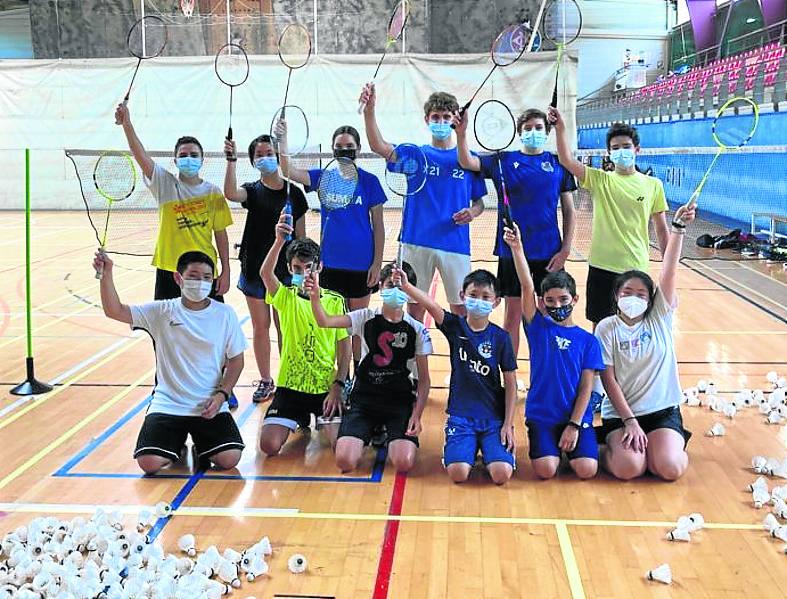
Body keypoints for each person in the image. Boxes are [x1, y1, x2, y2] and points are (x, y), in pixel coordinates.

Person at [93, 250, 246, 475]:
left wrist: (222, 394)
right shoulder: (162, 311)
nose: (200, 282)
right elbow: (114, 310)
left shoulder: (225, 314)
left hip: (209, 404)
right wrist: (106, 275)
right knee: (149, 463)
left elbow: (236, 361)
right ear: (178, 278)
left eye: (206, 277)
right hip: (169, 403)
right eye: (193, 275)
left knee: (230, 458)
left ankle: (202, 447)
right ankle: (176, 447)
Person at [456, 107, 576, 358]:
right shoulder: (502, 161)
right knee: (512, 315)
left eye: (538, 128)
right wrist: (461, 132)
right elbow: (467, 161)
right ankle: (509, 372)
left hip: (549, 253)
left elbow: (569, 210)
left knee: (549, 314)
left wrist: (565, 249)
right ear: (520, 133)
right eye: (528, 128)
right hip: (511, 251)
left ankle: (544, 372)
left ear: (547, 132)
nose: (533, 132)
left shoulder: (558, 165)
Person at [360, 84, 488, 320]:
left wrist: (473, 211)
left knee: (460, 310)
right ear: (426, 119)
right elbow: (379, 146)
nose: (441, 121)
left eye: (446, 117)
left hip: (455, 244)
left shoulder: (469, 160)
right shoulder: (416, 155)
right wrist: (370, 110)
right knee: (414, 308)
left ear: (455, 120)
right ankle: (413, 358)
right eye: (436, 117)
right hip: (416, 240)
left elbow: (480, 202)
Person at [594, 204, 696, 482]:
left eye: (642, 294)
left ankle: (666, 444)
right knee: (629, 469)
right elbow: (608, 380)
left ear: (651, 301)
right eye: (628, 292)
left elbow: (669, 272)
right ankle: (599, 448)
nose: (634, 297)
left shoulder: (658, 319)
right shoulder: (606, 328)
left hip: (661, 412)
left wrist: (678, 229)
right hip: (621, 414)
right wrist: (629, 421)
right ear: (616, 295)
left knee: (669, 468)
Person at [306, 262, 432, 473]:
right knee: (345, 461)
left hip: (398, 401)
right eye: (391, 284)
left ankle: (383, 429)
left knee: (403, 463)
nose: (395, 290)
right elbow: (324, 321)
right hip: (365, 399)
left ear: (409, 292)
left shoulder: (417, 330)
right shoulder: (364, 317)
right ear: (380, 286)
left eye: (401, 286)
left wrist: (416, 415)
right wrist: (315, 295)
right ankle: (366, 429)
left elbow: (425, 380)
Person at [549, 108, 669, 328]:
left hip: (635, 268)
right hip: (601, 266)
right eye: (615, 148)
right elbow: (566, 160)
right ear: (609, 153)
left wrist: (669, 266)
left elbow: (661, 229)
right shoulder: (600, 180)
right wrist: (560, 128)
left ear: (637, 150)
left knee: (633, 327)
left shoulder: (653, 185)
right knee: (600, 327)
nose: (621, 151)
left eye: (626, 147)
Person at [398, 269, 517, 485]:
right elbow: (432, 306)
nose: (478, 300)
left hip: (493, 417)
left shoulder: (501, 338)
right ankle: (464, 450)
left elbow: (510, 384)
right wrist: (406, 286)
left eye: (485, 297)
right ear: (462, 296)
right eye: (473, 295)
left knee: (502, 474)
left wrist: (508, 424)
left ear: (496, 302)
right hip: (461, 416)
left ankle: (489, 451)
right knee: (458, 473)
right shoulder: (455, 326)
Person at [503, 224, 603, 480]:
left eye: (563, 300)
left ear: (575, 300)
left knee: (587, 470)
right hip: (542, 416)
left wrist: (574, 425)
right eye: (550, 301)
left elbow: (585, 389)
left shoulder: (588, 341)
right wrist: (517, 248)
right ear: (541, 302)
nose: (557, 305)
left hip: (574, 417)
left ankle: (587, 441)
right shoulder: (538, 328)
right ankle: (552, 447)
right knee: (546, 470)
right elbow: (526, 286)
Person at [114, 103, 232, 302]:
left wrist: (226, 271)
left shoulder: (213, 192)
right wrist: (127, 123)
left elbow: (221, 234)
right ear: (175, 160)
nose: (189, 159)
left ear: (202, 160)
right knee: (167, 328)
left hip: (203, 270)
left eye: (194, 155)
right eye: (183, 155)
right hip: (169, 268)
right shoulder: (165, 184)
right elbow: (140, 154)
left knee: (207, 327)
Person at [223, 134, 309, 404]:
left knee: (285, 326)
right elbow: (230, 193)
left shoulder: (294, 192)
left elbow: (303, 239)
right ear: (253, 161)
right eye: (259, 154)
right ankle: (266, 380)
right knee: (261, 327)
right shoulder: (252, 190)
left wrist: (302, 272)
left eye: (269, 152)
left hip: (284, 272)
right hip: (254, 268)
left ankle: (287, 378)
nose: (265, 157)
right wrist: (230, 161)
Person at [258, 214, 351, 456]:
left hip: (324, 387)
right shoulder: (285, 297)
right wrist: (279, 241)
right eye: (297, 268)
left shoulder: (334, 301)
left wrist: (338, 385)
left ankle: (321, 419)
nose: (304, 273)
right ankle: (297, 418)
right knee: (268, 446)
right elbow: (266, 275)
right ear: (290, 269)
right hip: (290, 387)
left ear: (319, 267)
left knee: (338, 445)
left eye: (309, 267)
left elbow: (344, 348)